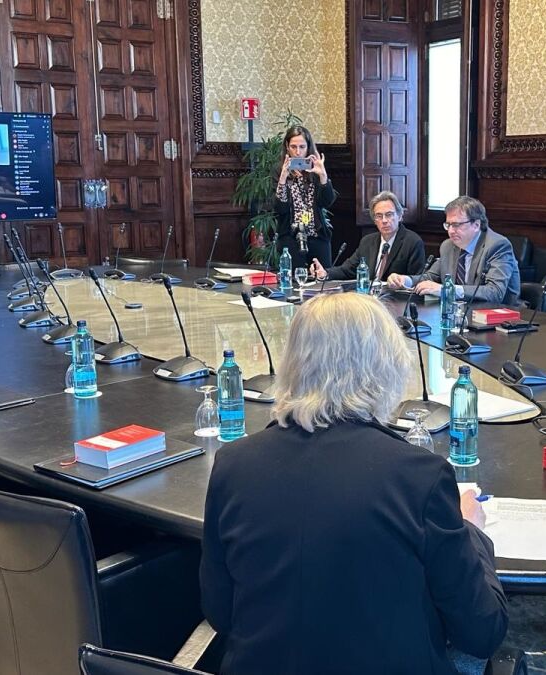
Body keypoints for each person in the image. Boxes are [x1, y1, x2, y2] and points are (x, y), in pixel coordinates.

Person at [200, 293, 508, 675]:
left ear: (292, 364)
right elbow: (482, 632)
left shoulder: (232, 464)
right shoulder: (420, 476)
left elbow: (220, 613)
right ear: (387, 367)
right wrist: (472, 531)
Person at [386, 196, 521, 306]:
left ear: (476, 225)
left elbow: (495, 292)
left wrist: (446, 290)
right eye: (448, 225)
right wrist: (405, 280)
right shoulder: (448, 246)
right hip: (459, 313)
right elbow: (431, 277)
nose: (450, 231)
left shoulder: (497, 246)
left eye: (456, 225)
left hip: (499, 318)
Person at [309, 191, 425, 282]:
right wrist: (325, 273)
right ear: (374, 220)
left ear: (400, 216)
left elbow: (416, 279)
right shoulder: (368, 241)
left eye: (389, 215)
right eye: (379, 216)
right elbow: (347, 270)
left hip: (396, 298)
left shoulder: (412, 242)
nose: (384, 220)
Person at [275, 125, 335, 269]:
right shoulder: (279, 170)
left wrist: (323, 176)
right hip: (290, 236)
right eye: (293, 147)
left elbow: (327, 202)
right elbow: (280, 209)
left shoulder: (316, 168)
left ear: (308, 147)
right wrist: (283, 178)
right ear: (287, 147)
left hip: (316, 234)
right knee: (294, 278)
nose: (298, 152)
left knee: (323, 276)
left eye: (302, 147)